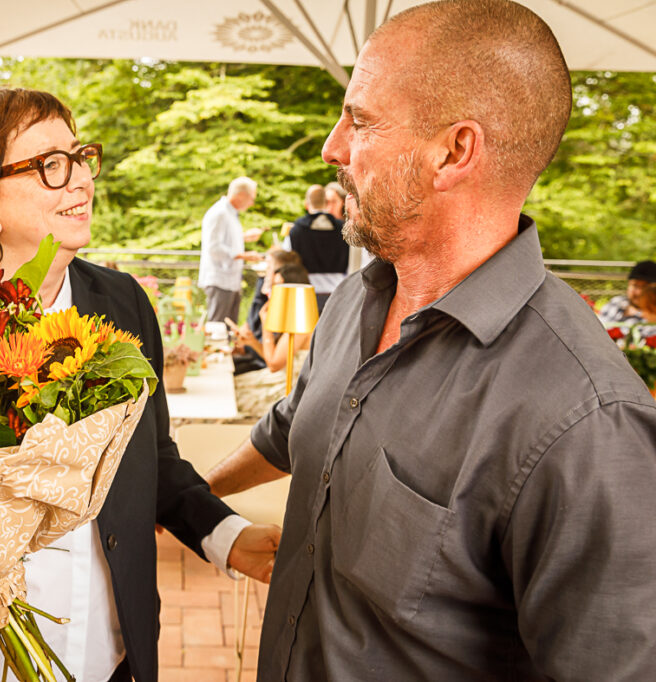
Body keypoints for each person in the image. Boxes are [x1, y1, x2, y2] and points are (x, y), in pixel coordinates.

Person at [205, 1, 656, 680]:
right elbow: (293, 428)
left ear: (454, 151)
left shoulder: (588, 420)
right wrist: (182, 501)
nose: (333, 146)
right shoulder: (359, 296)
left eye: (360, 120)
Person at [0, 87, 281, 682]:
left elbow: (150, 457)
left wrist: (226, 535)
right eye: (49, 165)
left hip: (107, 647)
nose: (81, 181)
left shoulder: (124, 304)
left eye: (79, 156)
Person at [232, 263, 312, 417]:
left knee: (235, 395)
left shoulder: (300, 321)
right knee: (231, 385)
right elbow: (278, 360)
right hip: (278, 379)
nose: (271, 291)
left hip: (287, 388)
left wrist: (266, 325)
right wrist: (252, 342)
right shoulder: (290, 316)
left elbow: (274, 364)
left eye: (277, 286)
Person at [198, 176, 263, 326]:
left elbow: (224, 240)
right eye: (251, 198)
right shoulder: (219, 213)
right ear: (241, 195)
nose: (252, 203)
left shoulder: (231, 214)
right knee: (218, 327)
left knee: (228, 328)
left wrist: (244, 237)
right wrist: (242, 255)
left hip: (230, 281)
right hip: (219, 280)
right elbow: (213, 247)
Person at [283, 184, 348, 311]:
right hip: (337, 291)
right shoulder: (343, 229)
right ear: (325, 203)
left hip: (306, 292)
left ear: (306, 205)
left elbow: (286, 261)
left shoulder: (296, 230)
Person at [597, 259, 656, 328]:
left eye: (645, 287)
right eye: (635, 285)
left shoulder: (652, 317)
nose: (639, 292)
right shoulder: (616, 303)